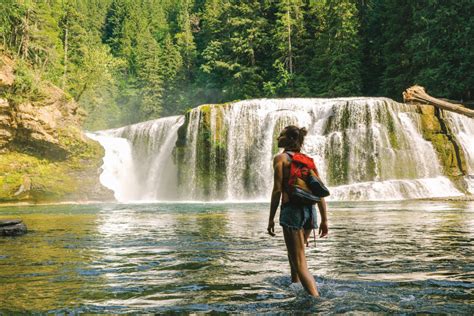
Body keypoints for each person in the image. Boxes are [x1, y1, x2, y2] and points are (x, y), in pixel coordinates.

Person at [267, 125, 328, 297]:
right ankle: (295, 284)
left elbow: (277, 190)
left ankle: (316, 300)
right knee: (294, 253)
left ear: (291, 139)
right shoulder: (308, 160)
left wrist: (271, 218)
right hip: (310, 212)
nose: (278, 138)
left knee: (300, 261)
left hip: (292, 211)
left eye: (281, 135)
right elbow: (319, 190)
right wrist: (324, 220)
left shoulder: (280, 159)